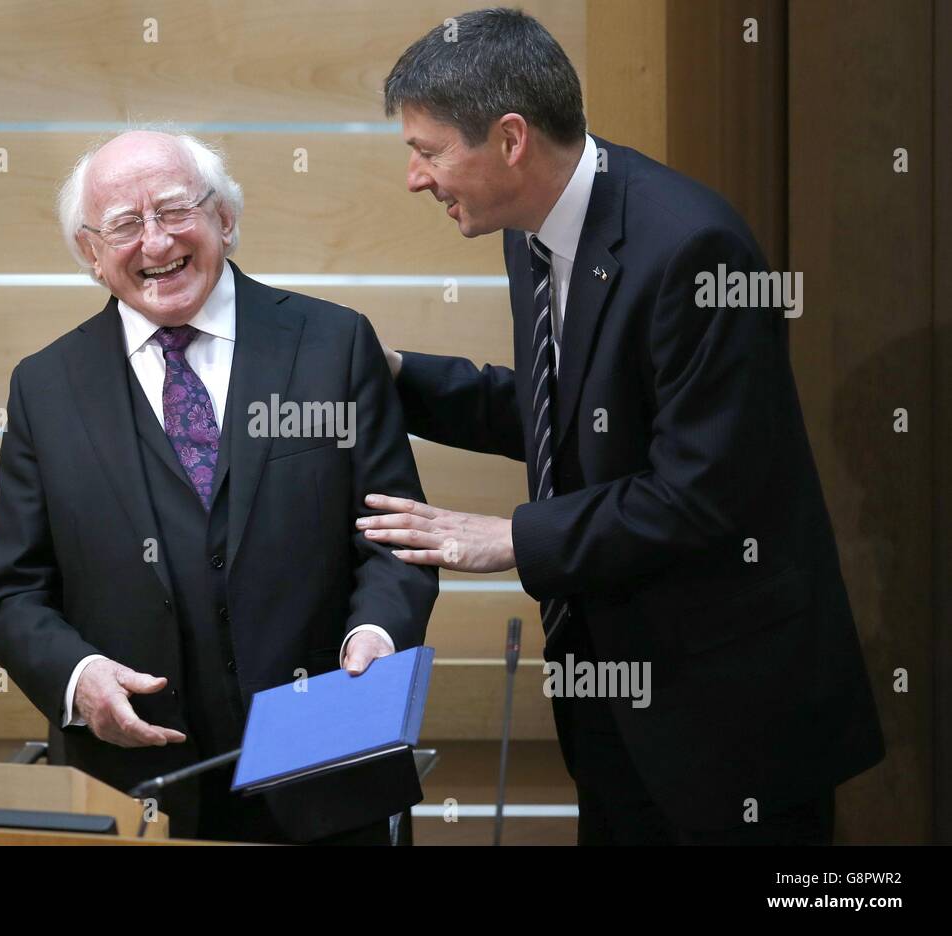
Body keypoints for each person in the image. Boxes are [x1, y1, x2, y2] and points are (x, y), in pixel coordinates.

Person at [361, 7, 883, 844]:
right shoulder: (528, 233)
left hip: (726, 714)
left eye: (427, 152)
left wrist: (512, 538)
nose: (417, 178)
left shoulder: (692, 247)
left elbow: (699, 494)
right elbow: (562, 415)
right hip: (611, 698)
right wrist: (393, 377)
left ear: (510, 140)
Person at [0, 130, 437, 843]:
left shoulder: (333, 345)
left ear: (224, 217)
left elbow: (395, 537)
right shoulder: (44, 388)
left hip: (324, 764)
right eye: (125, 225)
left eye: (174, 211)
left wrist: (379, 635)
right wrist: (79, 679)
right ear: (91, 255)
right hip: (136, 785)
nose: (156, 243)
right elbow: (13, 596)